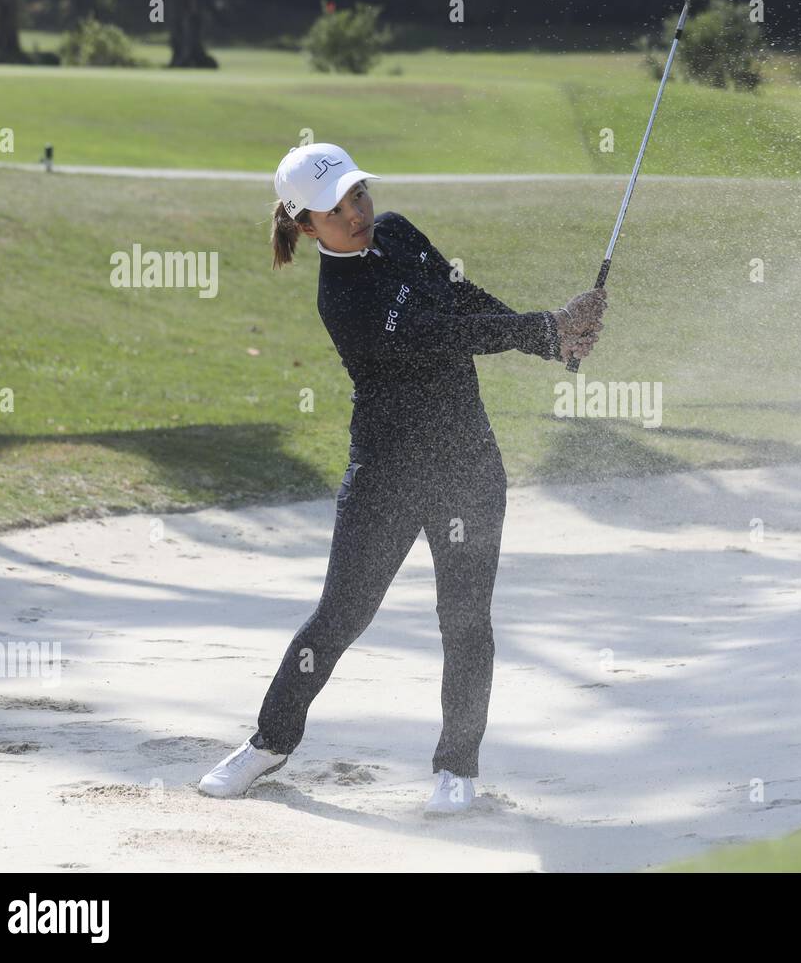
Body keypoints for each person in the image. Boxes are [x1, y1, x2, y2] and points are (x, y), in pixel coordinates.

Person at [198, 142, 606, 814]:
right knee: (339, 616)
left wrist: (551, 337)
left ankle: (457, 767)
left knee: (465, 618)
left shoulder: (399, 233)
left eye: (359, 194)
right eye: (337, 207)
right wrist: (544, 325)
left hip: (467, 463)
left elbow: (462, 298)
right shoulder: (343, 299)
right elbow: (440, 332)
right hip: (386, 473)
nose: (357, 211)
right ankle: (269, 742)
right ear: (307, 226)